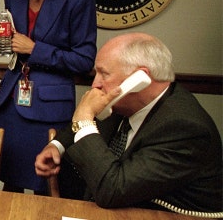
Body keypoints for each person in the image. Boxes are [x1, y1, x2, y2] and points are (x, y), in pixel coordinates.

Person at [35, 33, 222, 213]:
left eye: (104, 74)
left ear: (140, 79)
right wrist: (56, 145)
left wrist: (83, 119)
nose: (95, 84)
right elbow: (88, 124)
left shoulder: (184, 128)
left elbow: (112, 190)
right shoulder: (123, 105)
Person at [0, 0, 97, 194]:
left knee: (45, 185)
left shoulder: (78, 0)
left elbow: (84, 60)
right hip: (12, 100)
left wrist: (36, 49)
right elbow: (15, 44)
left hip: (49, 106)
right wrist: (3, 36)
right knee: (6, 179)